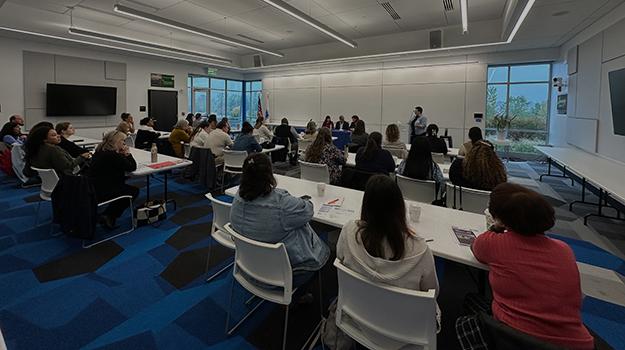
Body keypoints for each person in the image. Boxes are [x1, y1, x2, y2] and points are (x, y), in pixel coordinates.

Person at [458, 183, 594, 350]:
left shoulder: (494, 244)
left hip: (515, 337)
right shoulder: (564, 250)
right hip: (577, 344)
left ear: (501, 218)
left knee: (466, 313)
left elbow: (476, 248)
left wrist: (497, 226)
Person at [336, 175, 440, 335]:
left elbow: (340, 258)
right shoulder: (420, 249)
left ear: (366, 205)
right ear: (400, 207)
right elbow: (432, 292)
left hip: (358, 318)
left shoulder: (349, 232)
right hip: (405, 330)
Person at [230, 153, 330, 281]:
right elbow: (308, 210)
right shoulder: (282, 203)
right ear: (269, 174)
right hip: (283, 275)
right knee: (305, 228)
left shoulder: (237, 197)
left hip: (248, 268)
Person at [88, 131, 139, 230]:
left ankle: (107, 214)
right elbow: (131, 167)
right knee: (134, 191)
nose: (124, 143)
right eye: (123, 141)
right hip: (103, 190)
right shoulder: (113, 155)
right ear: (117, 142)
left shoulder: (100, 151)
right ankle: (109, 215)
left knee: (125, 187)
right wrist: (127, 154)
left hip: (92, 187)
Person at [25, 125, 90, 176]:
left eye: (57, 134)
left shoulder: (36, 148)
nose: (58, 136)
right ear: (45, 139)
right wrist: (82, 157)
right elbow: (68, 167)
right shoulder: (53, 149)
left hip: (48, 180)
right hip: (63, 179)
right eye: (54, 135)